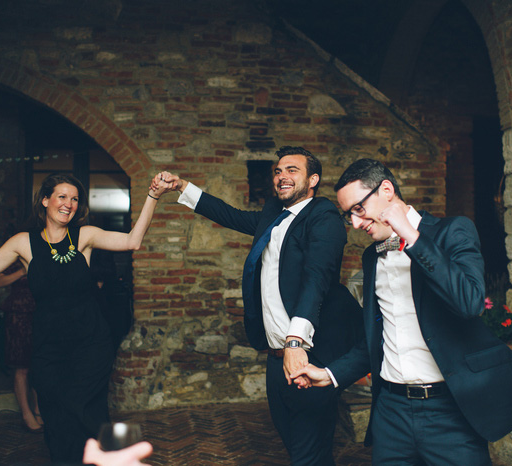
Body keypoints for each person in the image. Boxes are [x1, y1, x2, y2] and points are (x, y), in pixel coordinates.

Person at [291, 158, 512, 465]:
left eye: (358, 209)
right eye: (349, 216)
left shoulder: (453, 231)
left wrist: (413, 239)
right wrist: (331, 374)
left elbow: (469, 303)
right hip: (391, 413)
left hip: (450, 412)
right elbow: (379, 338)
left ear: (386, 190)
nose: (356, 224)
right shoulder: (371, 259)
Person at [0, 91, 153, 465]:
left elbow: (133, 241)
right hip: (49, 348)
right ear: (45, 200)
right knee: (57, 419)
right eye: (61, 196)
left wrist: (152, 196)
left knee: (89, 414)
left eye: (74, 199)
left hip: (91, 344)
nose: (68, 204)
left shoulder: (85, 236)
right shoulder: (23, 244)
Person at [153, 146, 362, 466]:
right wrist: (183, 187)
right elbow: (231, 215)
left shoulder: (323, 215)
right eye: (278, 171)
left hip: (309, 354)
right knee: (297, 444)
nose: (282, 176)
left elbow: (316, 278)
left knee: (308, 450)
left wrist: (296, 342)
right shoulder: (273, 216)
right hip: (276, 358)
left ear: (313, 179)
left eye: (292, 170)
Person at [0, 260, 43, 433]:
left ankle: (39, 410)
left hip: (40, 313)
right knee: (22, 367)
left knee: (39, 365)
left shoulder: (43, 256)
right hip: (18, 316)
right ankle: (26, 414)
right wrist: (23, 271)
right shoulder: (14, 260)